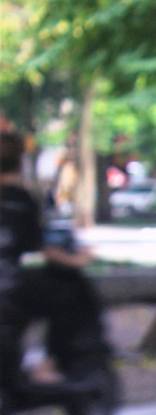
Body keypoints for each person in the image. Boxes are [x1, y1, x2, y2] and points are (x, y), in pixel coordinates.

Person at [0, 132, 95, 396]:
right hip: (9, 289)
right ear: (20, 162)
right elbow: (42, 247)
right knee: (67, 296)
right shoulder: (18, 199)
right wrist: (77, 260)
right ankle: (48, 365)